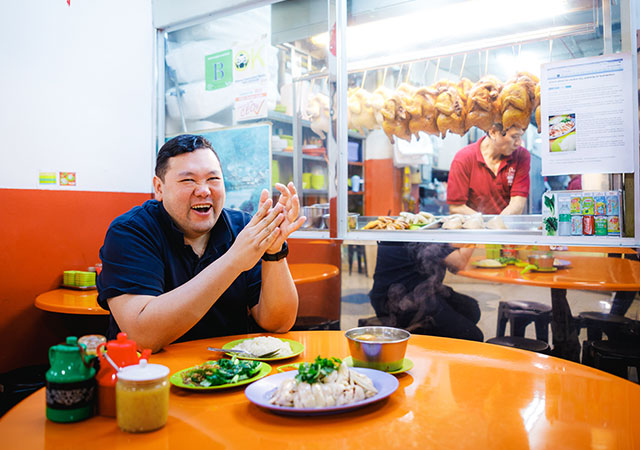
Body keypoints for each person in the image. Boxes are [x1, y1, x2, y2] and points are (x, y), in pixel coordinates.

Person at [97, 134, 305, 352]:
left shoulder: (241, 228)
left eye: (213, 179)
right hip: (149, 378)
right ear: (159, 188)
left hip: (230, 374)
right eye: (188, 180)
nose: (204, 190)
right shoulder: (131, 231)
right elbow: (142, 336)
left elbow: (278, 323)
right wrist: (234, 260)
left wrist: (274, 251)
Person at [369, 242, 483, 342]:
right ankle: (424, 342)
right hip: (401, 301)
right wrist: (476, 230)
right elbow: (458, 263)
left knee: (471, 309)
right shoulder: (421, 228)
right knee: (473, 336)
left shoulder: (431, 225)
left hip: (423, 289)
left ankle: (435, 342)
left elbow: (452, 254)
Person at [447, 124, 530, 215]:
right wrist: (485, 224)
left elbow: (517, 205)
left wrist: (498, 224)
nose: (518, 143)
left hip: (507, 226)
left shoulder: (521, 155)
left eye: (520, 136)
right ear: (493, 132)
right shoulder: (464, 158)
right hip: (473, 227)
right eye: (514, 137)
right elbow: (456, 208)